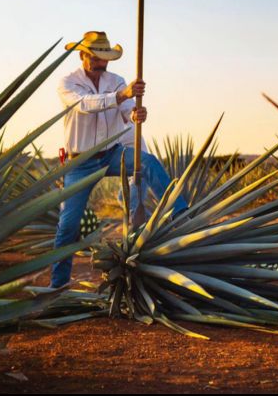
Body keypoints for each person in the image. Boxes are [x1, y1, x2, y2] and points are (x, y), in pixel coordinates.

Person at [50, 31, 188, 288]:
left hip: (112, 153)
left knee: (148, 162)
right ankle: (57, 285)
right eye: (97, 58)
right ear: (83, 55)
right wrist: (122, 96)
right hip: (79, 162)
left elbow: (126, 112)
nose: (102, 63)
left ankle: (180, 214)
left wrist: (136, 113)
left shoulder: (116, 80)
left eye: (105, 59)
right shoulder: (67, 83)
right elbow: (85, 105)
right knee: (68, 226)